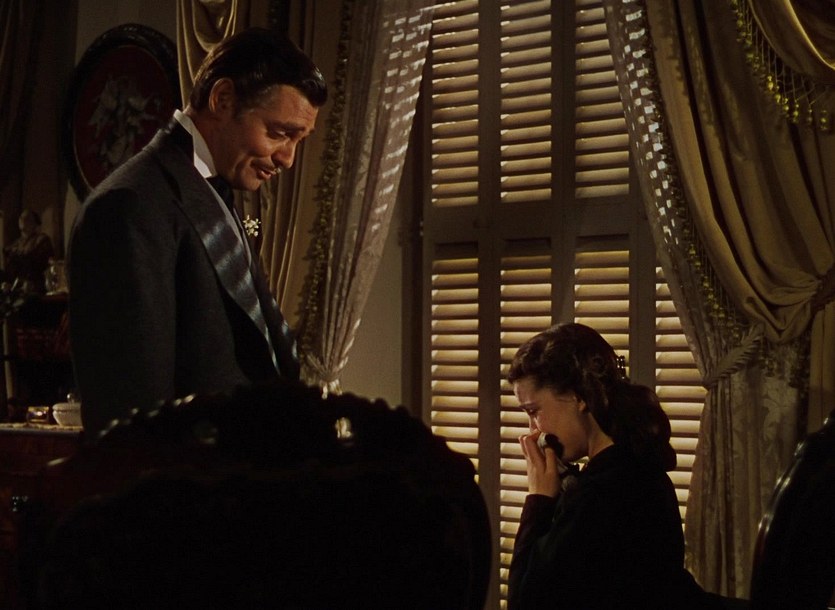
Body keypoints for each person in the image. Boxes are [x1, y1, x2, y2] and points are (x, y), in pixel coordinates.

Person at [68, 28, 328, 436]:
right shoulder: (129, 206)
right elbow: (133, 419)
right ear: (222, 99)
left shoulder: (212, 189)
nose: (288, 159)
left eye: (298, 140)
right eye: (279, 133)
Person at [507, 323, 717, 610]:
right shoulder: (640, 469)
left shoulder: (601, 494)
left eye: (534, 411)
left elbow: (525, 601)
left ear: (578, 397)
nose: (533, 430)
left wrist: (539, 500)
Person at [4, 209, 55, 293]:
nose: (23, 220)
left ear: (35, 223)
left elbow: (45, 265)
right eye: (21, 217)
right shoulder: (15, 244)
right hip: (17, 287)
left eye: (27, 218)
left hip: (35, 287)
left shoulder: (42, 240)